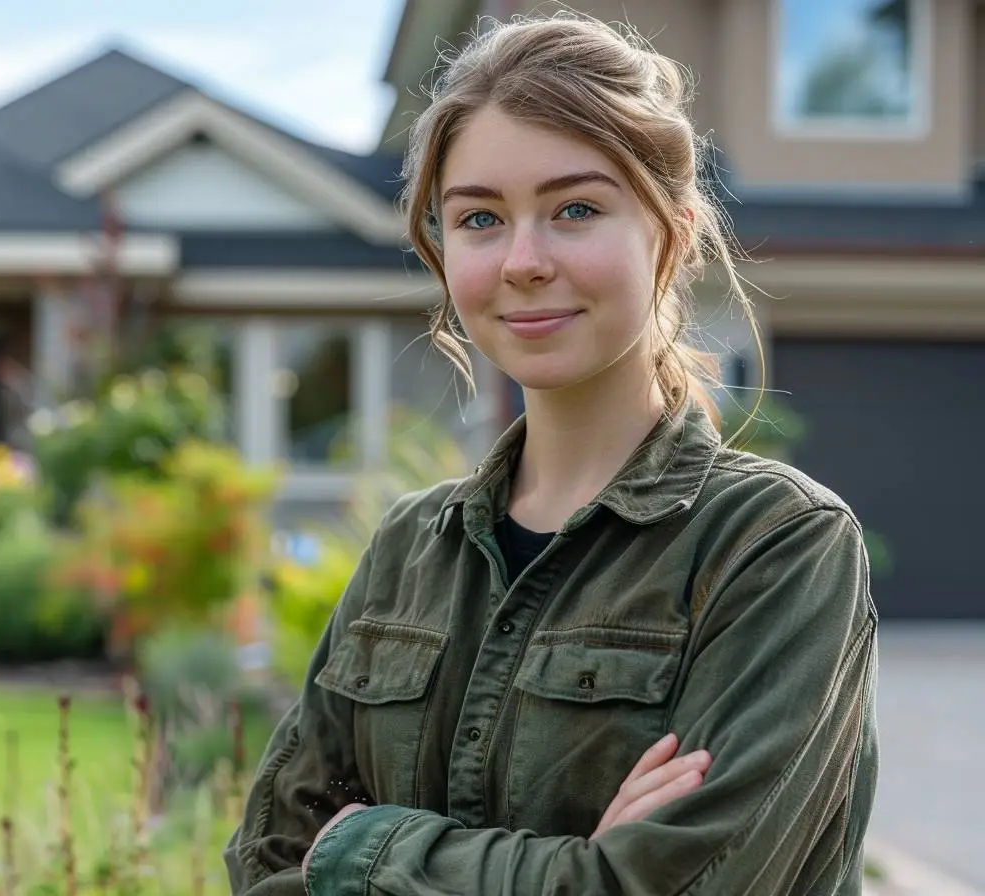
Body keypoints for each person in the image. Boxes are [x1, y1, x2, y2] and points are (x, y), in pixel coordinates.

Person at [225, 12, 878, 896]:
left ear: (672, 232)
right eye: (481, 218)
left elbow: (684, 888)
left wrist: (366, 850)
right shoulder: (410, 550)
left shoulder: (775, 547)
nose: (523, 261)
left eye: (576, 208)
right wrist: (579, 870)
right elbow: (266, 864)